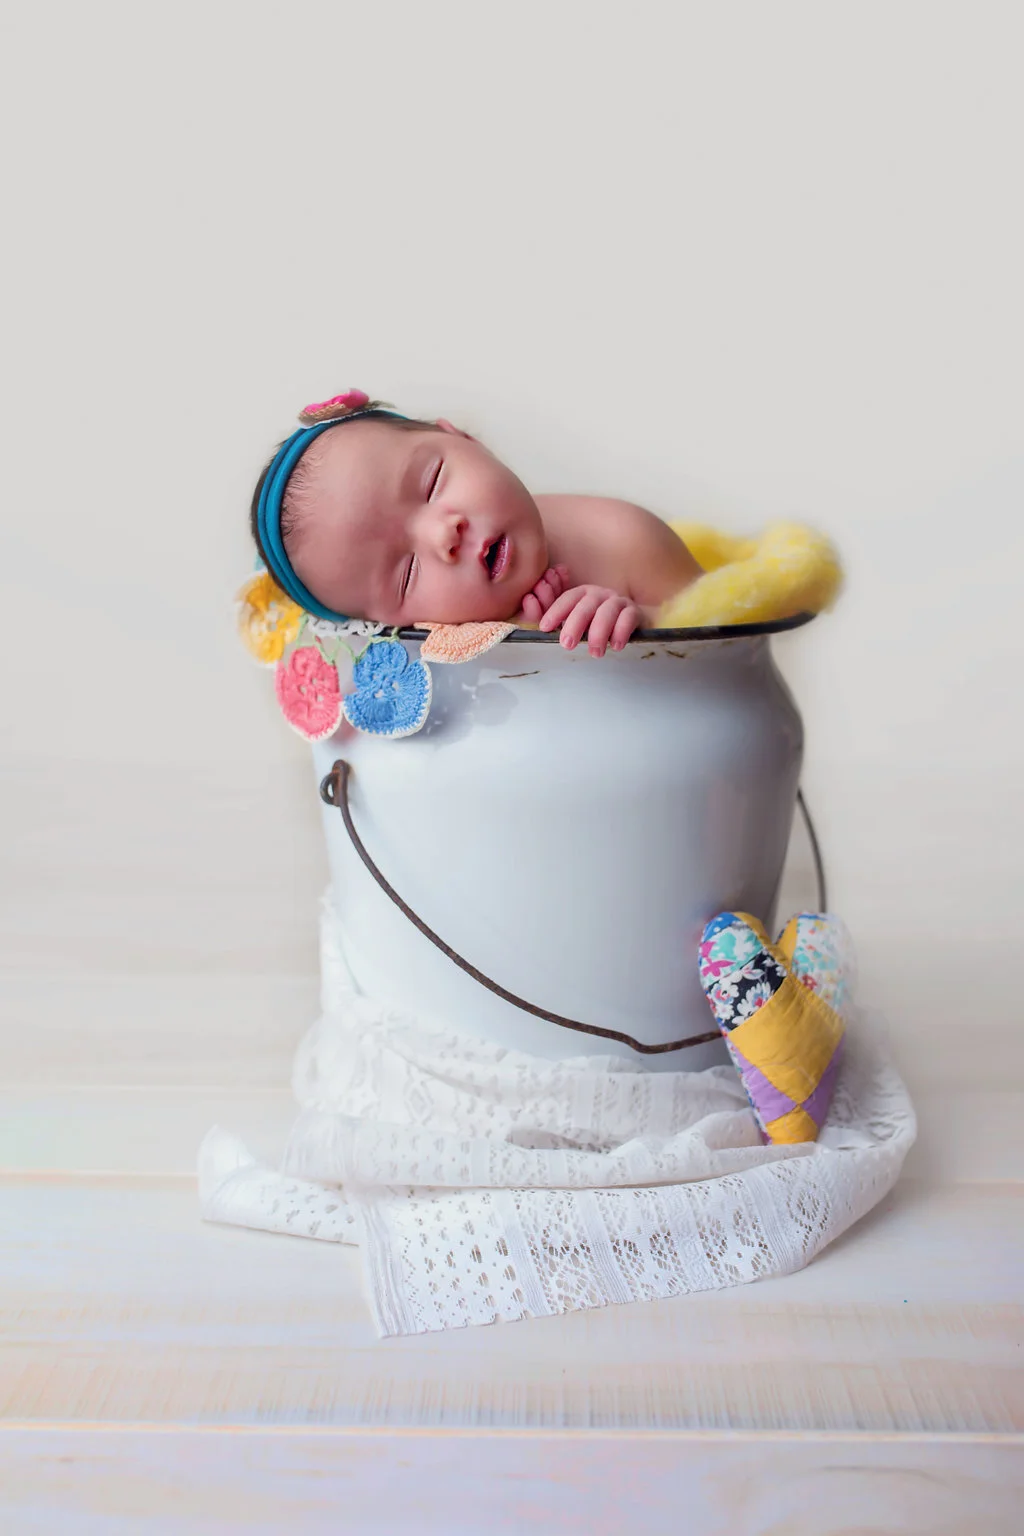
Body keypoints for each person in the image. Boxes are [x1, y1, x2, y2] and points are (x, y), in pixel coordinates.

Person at [251, 391, 702, 657]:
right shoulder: (429, 659)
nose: (443, 535)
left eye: (432, 483)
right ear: (393, 629)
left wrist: (643, 624)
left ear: (464, 439)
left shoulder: (623, 537)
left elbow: (724, 631)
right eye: (407, 573)